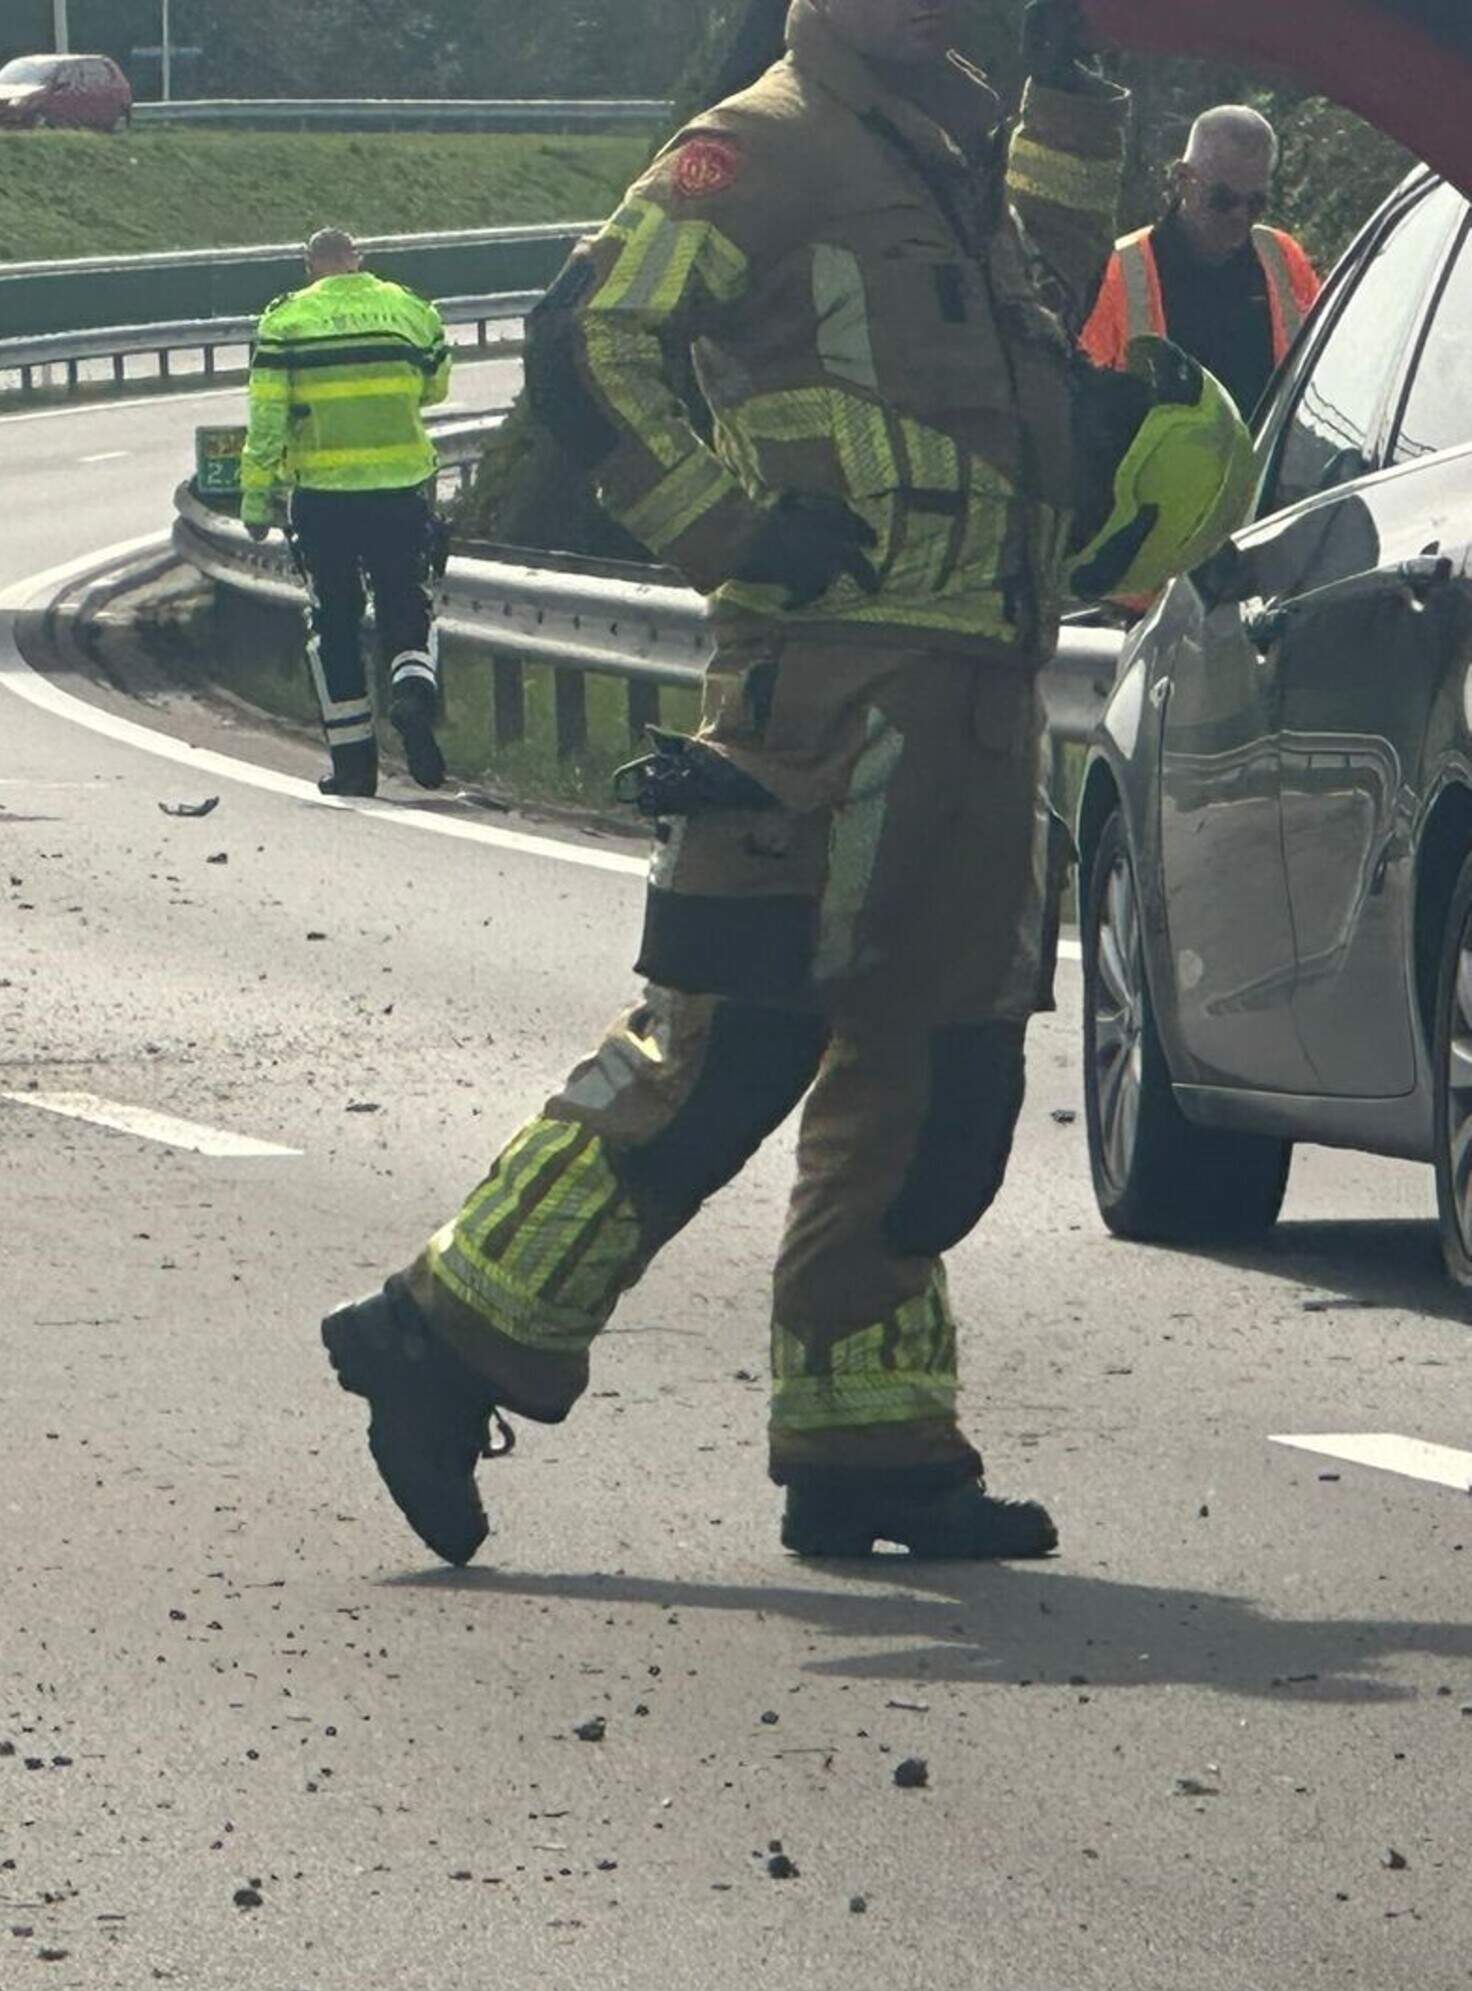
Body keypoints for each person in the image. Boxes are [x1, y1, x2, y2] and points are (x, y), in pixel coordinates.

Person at [318, 0, 1130, 1566]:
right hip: (819, 691)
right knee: (733, 1047)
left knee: (936, 1084)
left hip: (979, 687)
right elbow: (587, 339)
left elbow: (1028, 314)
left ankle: (870, 1447)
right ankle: (439, 1333)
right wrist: (731, 531)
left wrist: (1075, 108)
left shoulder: (954, 146)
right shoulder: (763, 143)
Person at [238, 228, 454, 796]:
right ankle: (412, 692)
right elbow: (434, 388)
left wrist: (257, 497)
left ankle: (355, 767)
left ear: (308, 265)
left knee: (333, 623)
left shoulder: (285, 321)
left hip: (323, 495)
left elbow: (267, 419)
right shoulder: (409, 309)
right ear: (359, 259)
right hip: (400, 487)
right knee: (406, 601)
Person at [1081, 105, 1323, 422]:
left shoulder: (1284, 258)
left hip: (1270, 451)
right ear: (1183, 179)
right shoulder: (1119, 272)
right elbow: (1086, 405)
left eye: (1256, 203)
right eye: (1223, 199)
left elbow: (1326, 367)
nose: (1239, 216)